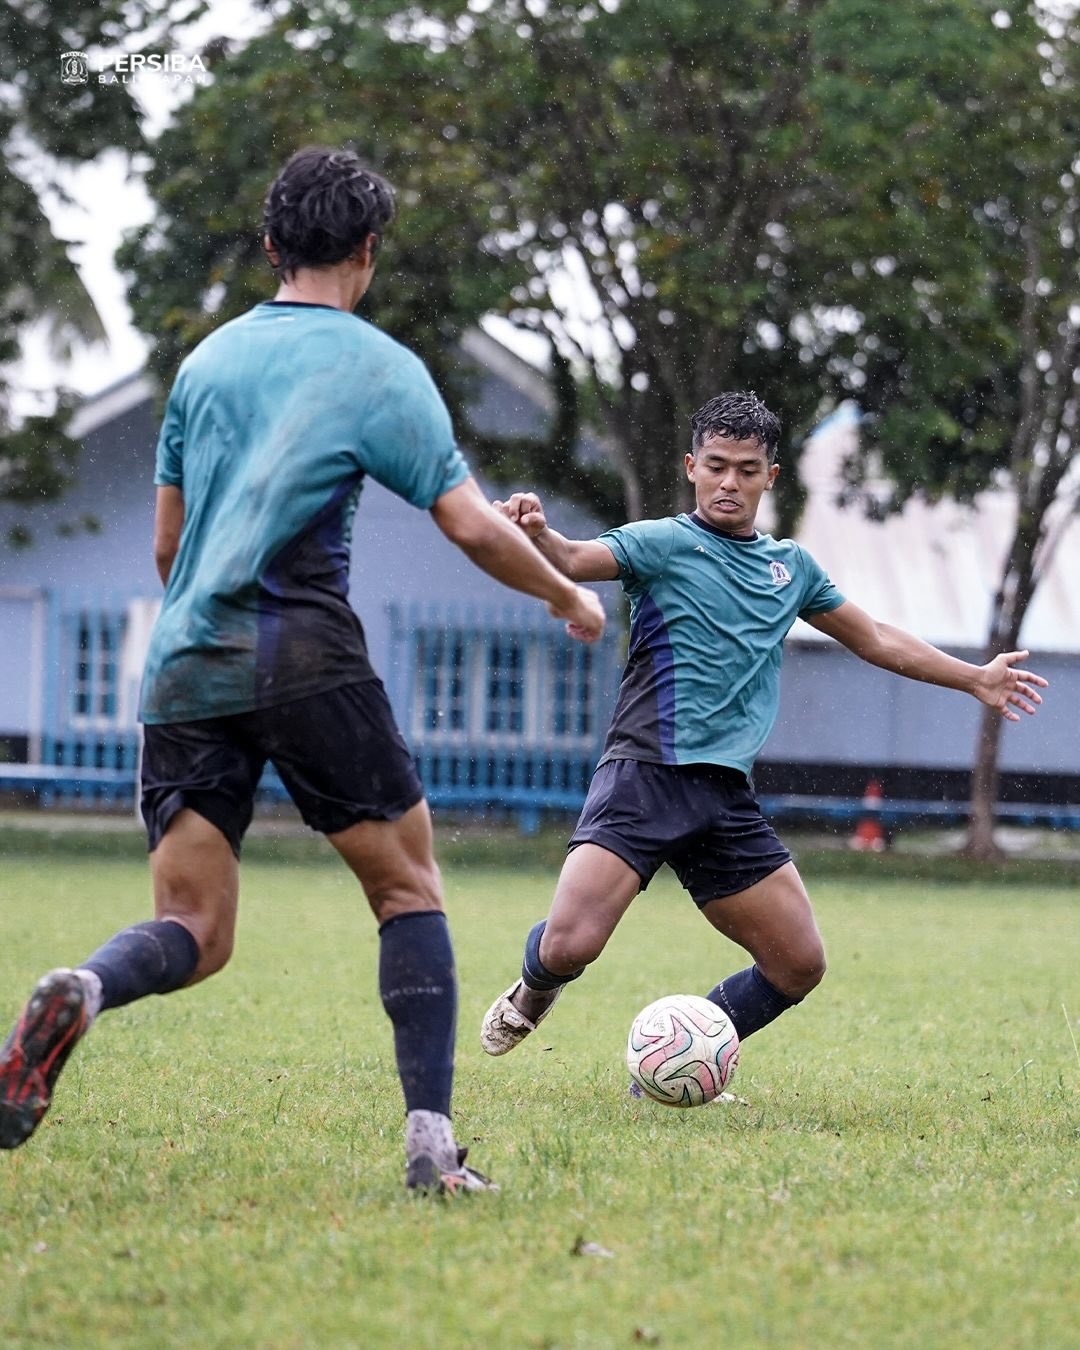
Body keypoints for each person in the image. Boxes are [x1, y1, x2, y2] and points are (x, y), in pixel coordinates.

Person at [0, 147, 604, 1194]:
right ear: (368, 251)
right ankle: (430, 1147)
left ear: (272, 245)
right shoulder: (381, 369)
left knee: (194, 925)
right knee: (406, 887)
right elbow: (466, 524)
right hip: (308, 653)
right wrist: (565, 593)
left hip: (185, 659)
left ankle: (88, 989)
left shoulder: (206, 367)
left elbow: (165, 552)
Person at [480, 390, 1047, 1067]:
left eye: (746, 469)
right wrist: (536, 531)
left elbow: (874, 637)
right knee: (570, 947)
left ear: (769, 477)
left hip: (724, 797)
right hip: (644, 776)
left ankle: (681, 1060)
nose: (729, 482)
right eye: (716, 465)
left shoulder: (792, 569)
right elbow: (572, 559)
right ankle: (532, 993)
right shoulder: (660, 543)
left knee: (798, 963)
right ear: (692, 466)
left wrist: (975, 677)